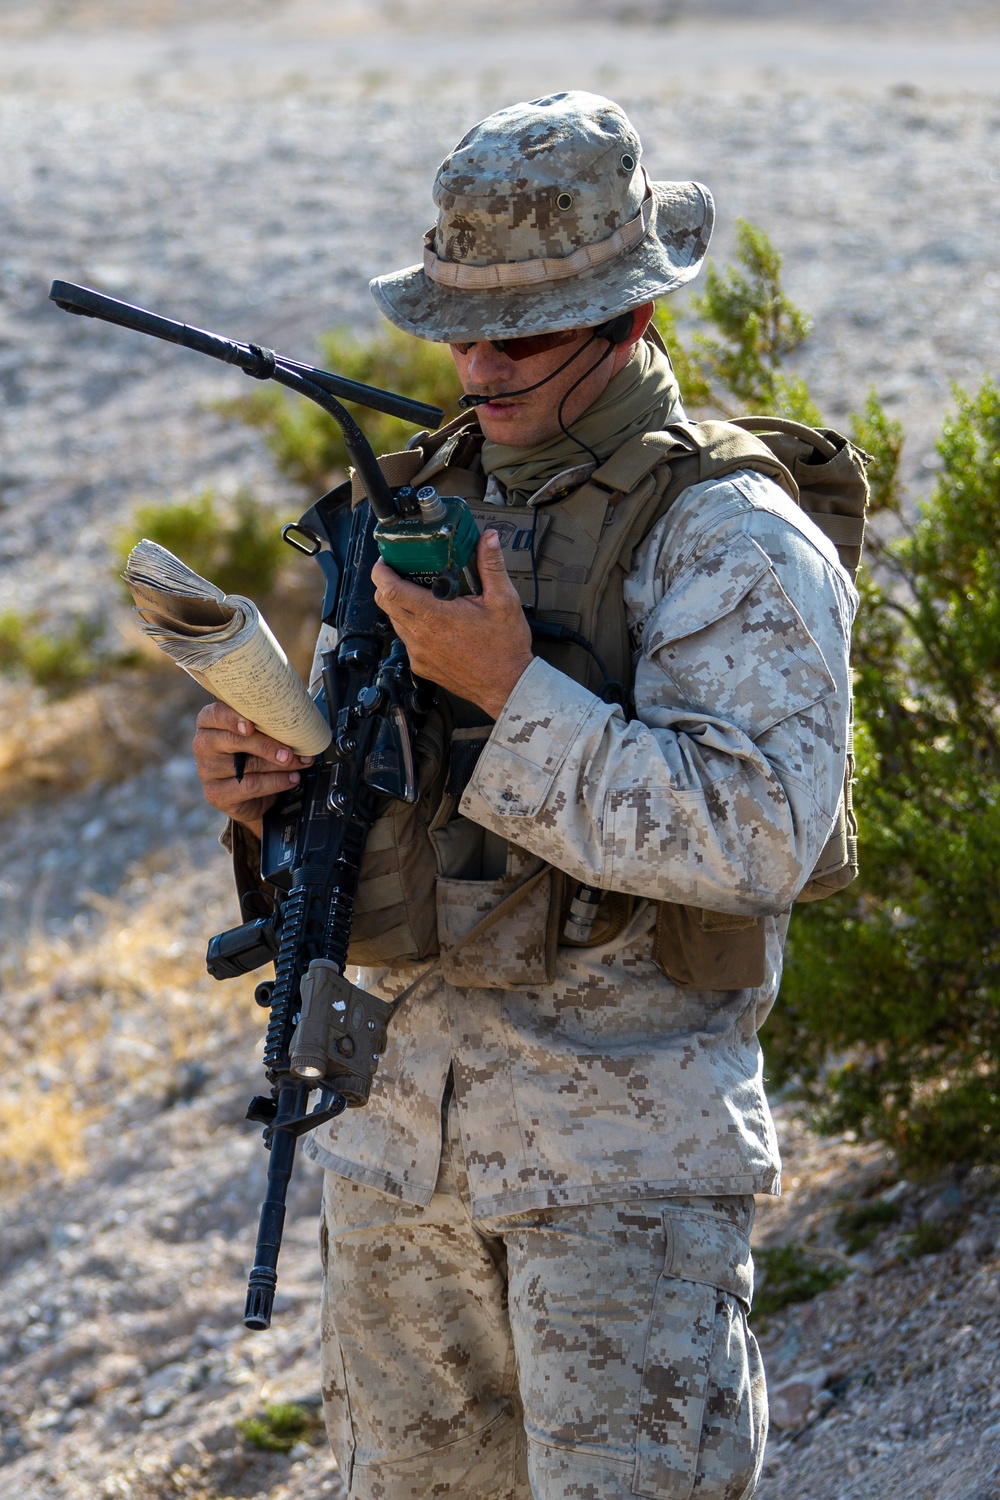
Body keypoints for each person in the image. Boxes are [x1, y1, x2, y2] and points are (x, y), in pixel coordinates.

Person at [193, 92, 856, 1500]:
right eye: (458, 329)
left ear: (630, 322)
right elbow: (379, 803)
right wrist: (269, 800)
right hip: (399, 1157)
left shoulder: (729, 537)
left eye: (522, 334)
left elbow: (761, 836)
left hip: (623, 1169)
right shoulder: (417, 505)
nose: (478, 366)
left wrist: (513, 690)